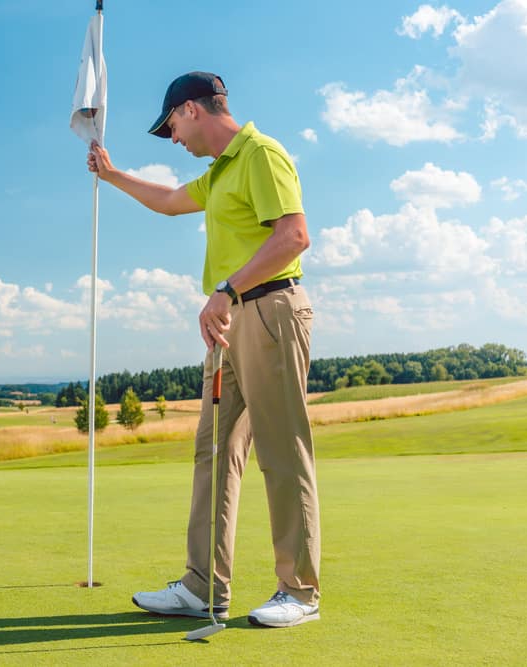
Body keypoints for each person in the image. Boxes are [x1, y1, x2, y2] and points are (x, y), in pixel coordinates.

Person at [87, 72, 321, 628]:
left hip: (268, 310)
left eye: (170, 126)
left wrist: (227, 289)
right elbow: (169, 201)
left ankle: (300, 591)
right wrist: (113, 173)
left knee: (282, 452)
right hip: (229, 320)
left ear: (191, 109)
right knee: (213, 454)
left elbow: (293, 235)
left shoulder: (261, 154)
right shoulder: (219, 173)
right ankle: (203, 587)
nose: (172, 140)